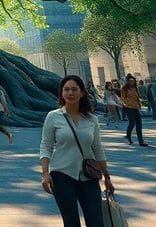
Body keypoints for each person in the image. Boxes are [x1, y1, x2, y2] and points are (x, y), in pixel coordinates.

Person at [40, 75, 114, 227]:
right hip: (61, 175)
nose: (70, 93)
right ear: (61, 93)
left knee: (96, 222)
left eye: (74, 89)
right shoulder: (53, 117)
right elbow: (46, 146)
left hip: (89, 175)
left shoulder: (91, 119)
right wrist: (45, 174)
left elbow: (98, 148)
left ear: (82, 93)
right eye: (66, 90)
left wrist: (106, 176)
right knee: (71, 222)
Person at [120, 75, 148, 146]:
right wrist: (128, 102)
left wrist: (139, 105)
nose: (132, 82)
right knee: (132, 123)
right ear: (127, 81)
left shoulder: (135, 88)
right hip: (128, 107)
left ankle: (141, 141)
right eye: (130, 80)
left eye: (133, 80)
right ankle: (128, 136)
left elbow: (137, 98)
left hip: (135, 107)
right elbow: (122, 99)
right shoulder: (124, 88)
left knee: (139, 123)